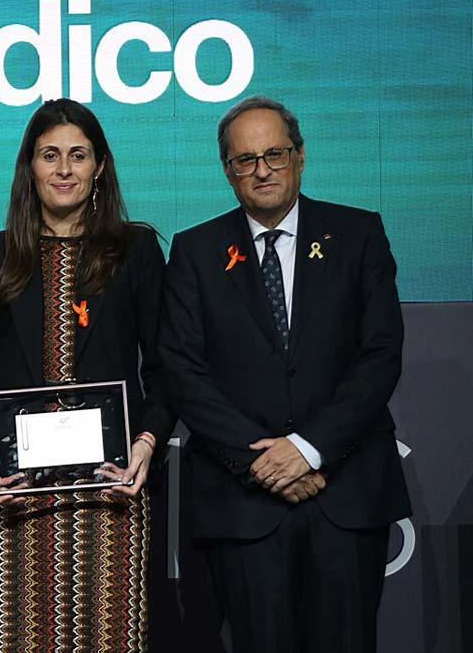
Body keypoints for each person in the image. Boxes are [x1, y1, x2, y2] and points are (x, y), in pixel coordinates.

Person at [159, 96, 411, 652]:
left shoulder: (359, 234)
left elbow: (380, 355)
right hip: (244, 502)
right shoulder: (196, 250)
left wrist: (310, 448)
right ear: (228, 171)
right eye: (245, 160)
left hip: (344, 494)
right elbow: (182, 370)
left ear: (300, 158)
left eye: (274, 154)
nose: (262, 170)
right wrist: (263, 463)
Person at [0, 98, 175, 653]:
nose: (65, 169)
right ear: (30, 166)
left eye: (78, 155)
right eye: (50, 155)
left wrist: (147, 442)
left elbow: (168, 368)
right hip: (15, 496)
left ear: (100, 165)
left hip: (112, 489)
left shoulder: (136, 249)